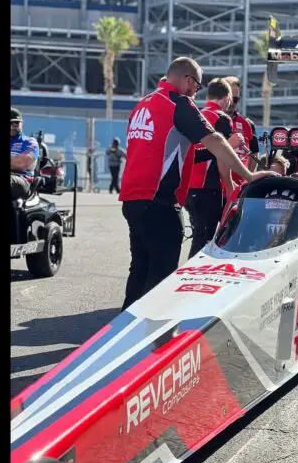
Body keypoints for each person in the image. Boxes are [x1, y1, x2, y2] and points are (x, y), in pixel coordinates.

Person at [118, 57, 279, 311]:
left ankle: (121, 330)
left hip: (132, 199)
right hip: (159, 201)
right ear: (187, 80)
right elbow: (214, 139)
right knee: (160, 275)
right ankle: (151, 337)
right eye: (197, 85)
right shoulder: (177, 103)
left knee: (140, 267)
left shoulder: (144, 104)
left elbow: (181, 153)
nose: (196, 92)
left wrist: (224, 152)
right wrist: (247, 175)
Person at [185, 78, 236, 258]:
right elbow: (223, 155)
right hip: (209, 187)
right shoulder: (222, 118)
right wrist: (230, 188)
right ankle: (191, 280)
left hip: (188, 186)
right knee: (205, 239)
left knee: (199, 236)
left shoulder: (196, 113)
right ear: (226, 98)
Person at [219, 76, 260, 186]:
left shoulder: (247, 124)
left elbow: (254, 153)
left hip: (240, 187)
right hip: (215, 185)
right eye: (229, 97)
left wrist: (248, 179)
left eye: (235, 99)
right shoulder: (208, 118)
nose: (232, 102)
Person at [10, 108, 39, 200]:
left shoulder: (30, 142)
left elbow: (23, 163)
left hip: (22, 179)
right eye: (10, 123)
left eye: (16, 123)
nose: (12, 126)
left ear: (22, 123)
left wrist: (16, 161)